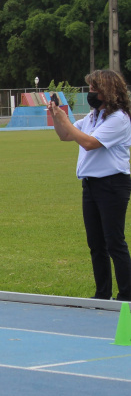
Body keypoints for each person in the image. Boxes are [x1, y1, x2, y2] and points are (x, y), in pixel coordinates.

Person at [48, 69, 131, 301]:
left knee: (114, 242)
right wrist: (57, 117)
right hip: (91, 185)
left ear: (109, 91)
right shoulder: (94, 116)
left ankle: (127, 294)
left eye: (95, 89)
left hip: (113, 184)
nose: (91, 93)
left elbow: (89, 143)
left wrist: (66, 121)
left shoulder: (119, 119)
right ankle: (102, 294)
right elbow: (66, 136)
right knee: (96, 244)